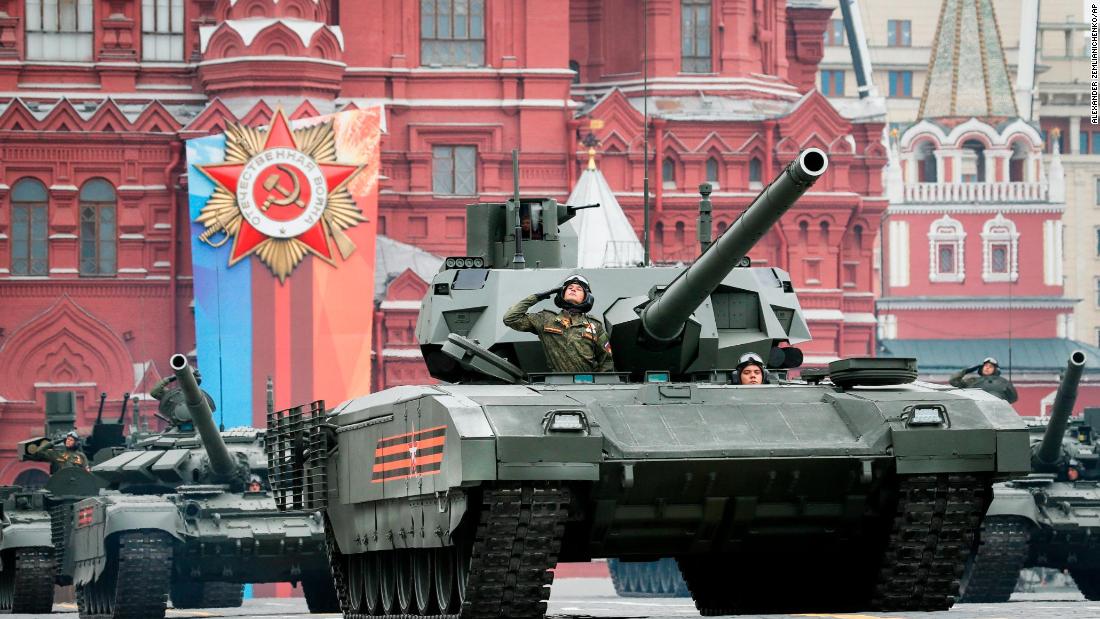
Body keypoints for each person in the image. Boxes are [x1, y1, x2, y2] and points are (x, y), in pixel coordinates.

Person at [503, 275, 614, 373]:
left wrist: (600, 384)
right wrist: (536, 297)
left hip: (588, 384)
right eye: (569, 288)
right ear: (562, 294)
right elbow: (510, 318)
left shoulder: (595, 326)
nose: (573, 290)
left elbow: (607, 360)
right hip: (559, 384)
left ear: (587, 297)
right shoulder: (545, 319)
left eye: (579, 289)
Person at [950, 356, 1018, 403]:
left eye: (990, 367)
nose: (987, 368)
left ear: (995, 370)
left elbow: (1013, 398)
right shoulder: (973, 381)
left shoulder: (1003, 382)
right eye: (985, 366)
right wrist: (967, 370)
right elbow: (954, 381)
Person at [25, 430, 90, 473]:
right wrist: (52, 443)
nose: (68, 441)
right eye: (67, 439)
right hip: (61, 482)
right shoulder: (57, 453)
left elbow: (87, 471)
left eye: (71, 440)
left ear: (76, 443)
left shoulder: (81, 456)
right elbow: (39, 451)